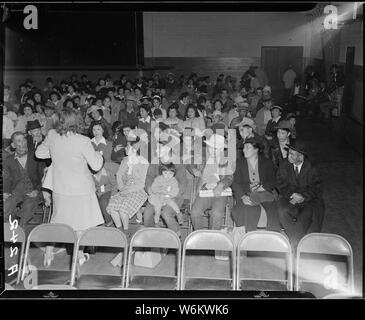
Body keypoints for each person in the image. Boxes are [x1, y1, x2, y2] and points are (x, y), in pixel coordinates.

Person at [35, 108, 105, 266]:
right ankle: (78, 256)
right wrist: (100, 156)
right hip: (81, 189)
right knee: (80, 224)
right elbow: (96, 165)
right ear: (77, 121)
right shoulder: (83, 140)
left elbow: (40, 153)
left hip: (60, 187)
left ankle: (48, 253)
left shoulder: (52, 135)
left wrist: (55, 153)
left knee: (58, 221)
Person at [276, 140, 324, 248]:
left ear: (301, 157)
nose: (288, 156)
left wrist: (303, 197)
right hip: (290, 197)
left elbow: (317, 188)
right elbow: (280, 184)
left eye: (292, 154)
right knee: (282, 210)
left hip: (309, 200)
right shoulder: (283, 164)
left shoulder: (313, 167)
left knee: (307, 215)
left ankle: (296, 243)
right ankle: (296, 241)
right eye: (289, 153)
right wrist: (293, 194)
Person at [231, 138, 280, 231]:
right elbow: (235, 183)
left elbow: (273, 180)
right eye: (243, 148)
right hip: (247, 194)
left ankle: (273, 239)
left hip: (264, 194)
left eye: (247, 147)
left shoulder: (267, 162)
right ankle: (249, 238)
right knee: (249, 210)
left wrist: (264, 187)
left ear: (256, 149)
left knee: (273, 211)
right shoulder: (239, 163)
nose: (244, 150)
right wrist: (242, 197)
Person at [188, 134, 234, 231]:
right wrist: (194, 169)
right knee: (194, 212)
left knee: (216, 213)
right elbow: (189, 162)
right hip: (205, 190)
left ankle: (212, 239)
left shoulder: (226, 160)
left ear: (221, 149)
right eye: (210, 147)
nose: (212, 150)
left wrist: (221, 184)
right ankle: (199, 236)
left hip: (220, 192)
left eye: (215, 148)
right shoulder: (204, 158)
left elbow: (229, 177)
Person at [106, 138, 149, 233]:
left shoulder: (143, 162)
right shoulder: (125, 160)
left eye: (127, 146)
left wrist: (127, 191)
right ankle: (119, 230)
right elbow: (119, 175)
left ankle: (125, 232)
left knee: (123, 210)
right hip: (125, 188)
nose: (125, 148)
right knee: (112, 206)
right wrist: (121, 188)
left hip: (138, 190)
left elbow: (141, 183)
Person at [3, 132, 44, 228]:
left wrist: (37, 190)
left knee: (28, 206)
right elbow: (7, 179)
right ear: (13, 145)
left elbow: (43, 176)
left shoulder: (36, 156)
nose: (23, 143)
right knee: (6, 206)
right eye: (19, 141)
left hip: (33, 190)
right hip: (16, 191)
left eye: (24, 139)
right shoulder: (9, 160)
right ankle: (8, 231)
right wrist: (5, 192)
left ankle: (21, 232)